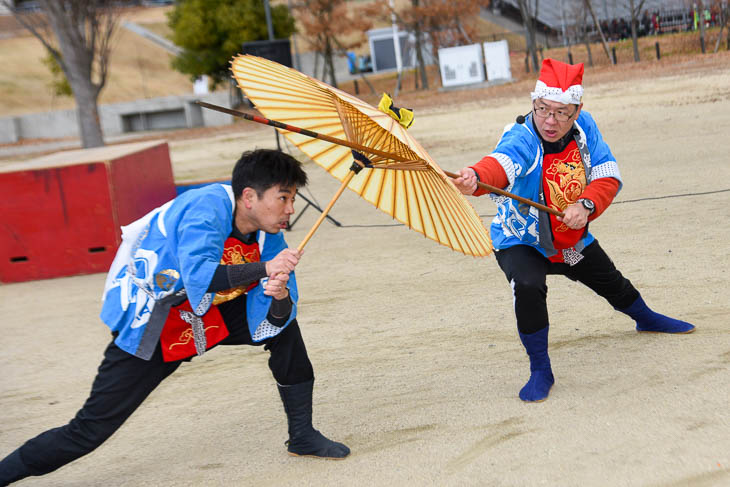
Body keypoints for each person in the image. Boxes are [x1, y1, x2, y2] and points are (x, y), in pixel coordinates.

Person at [0, 149, 349, 485]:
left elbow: (277, 313)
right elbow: (198, 276)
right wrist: (265, 268)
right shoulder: (206, 207)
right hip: (157, 320)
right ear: (248, 197)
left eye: (293, 199)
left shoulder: (267, 233)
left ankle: (302, 435)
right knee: (88, 430)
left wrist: (280, 294)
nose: (291, 209)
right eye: (283, 198)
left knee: (285, 331)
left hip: (211, 312)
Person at [452, 59, 695, 403]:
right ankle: (540, 368)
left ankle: (644, 318)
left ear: (577, 110)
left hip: (567, 241)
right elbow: (502, 162)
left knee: (608, 278)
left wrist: (586, 205)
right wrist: (477, 178)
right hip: (522, 240)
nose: (550, 121)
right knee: (528, 285)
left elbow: (607, 173)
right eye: (543, 109)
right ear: (533, 103)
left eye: (562, 112)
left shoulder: (585, 129)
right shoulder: (522, 135)